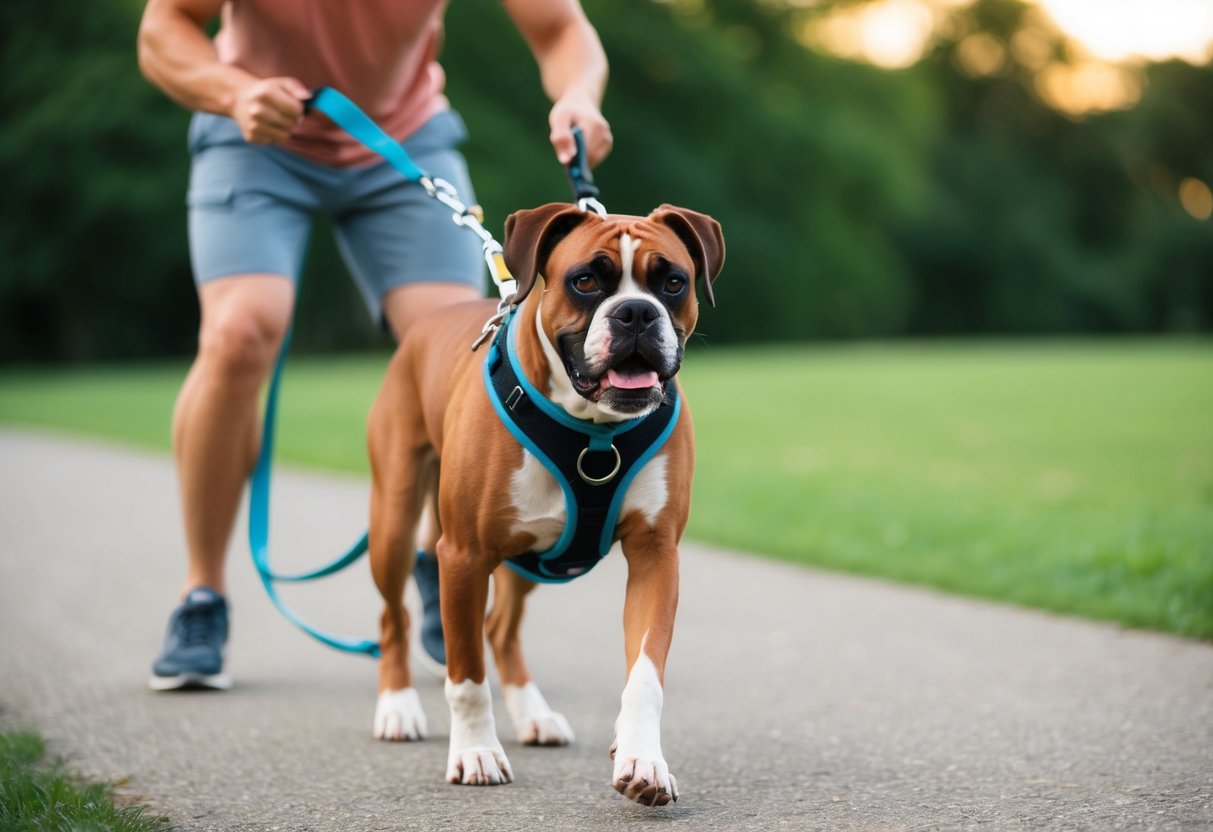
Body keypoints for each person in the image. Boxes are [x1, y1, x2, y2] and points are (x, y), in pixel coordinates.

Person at [137, 0, 613, 690]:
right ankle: (202, 595)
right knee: (241, 331)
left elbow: (560, 28)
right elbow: (162, 29)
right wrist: (231, 91)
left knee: (455, 342)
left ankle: (435, 556)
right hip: (253, 135)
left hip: (402, 137)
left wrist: (577, 93)